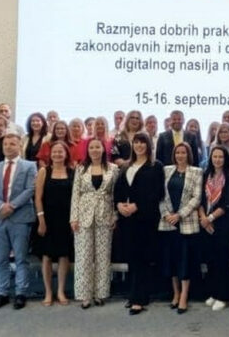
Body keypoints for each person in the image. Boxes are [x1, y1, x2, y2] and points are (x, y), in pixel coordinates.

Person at [0, 134, 38, 311]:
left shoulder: (29, 166)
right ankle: (2, 293)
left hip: (20, 217)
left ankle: (21, 293)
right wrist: (1, 206)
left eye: (12, 144)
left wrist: (12, 206)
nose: (8, 147)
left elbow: (30, 189)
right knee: (1, 258)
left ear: (19, 146)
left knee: (21, 258)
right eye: (6, 144)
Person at [114, 132, 164, 315]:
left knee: (144, 257)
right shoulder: (126, 166)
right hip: (127, 218)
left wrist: (138, 206)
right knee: (132, 257)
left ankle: (140, 299)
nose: (139, 145)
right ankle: (133, 294)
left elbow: (157, 192)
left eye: (143, 142)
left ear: (148, 145)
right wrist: (118, 205)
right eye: (136, 142)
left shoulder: (155, 166)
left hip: (146, 218)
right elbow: (118, 190)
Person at [71, 138, 119, 309]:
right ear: (88, 150)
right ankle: (84, 295)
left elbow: (116, 194)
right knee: (83, 256)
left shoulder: (113, 169)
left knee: (103, 256)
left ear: (103, 149)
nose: (95, 150)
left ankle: (100, 293)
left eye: (97, 147)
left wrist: (115, 216)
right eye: (91, 147)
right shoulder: (81, 168)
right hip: (83, 215)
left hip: (105, 214)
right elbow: (75, 194)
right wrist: (73, 218)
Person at [158, 142, 202, 314]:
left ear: (188, 154)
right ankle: (175, 293)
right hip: (168, 222)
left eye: (183, 153)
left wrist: (179, 215)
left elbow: (197, 198)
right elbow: (160, 195)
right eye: (178, 153)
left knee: (185, 261)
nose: (180, 155)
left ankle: (184, 295)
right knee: (171, 260)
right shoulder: (166, 170)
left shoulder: (196, 172)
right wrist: (166, 214)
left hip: (186, 222)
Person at [198, 146, 229, 311]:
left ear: (225, 159)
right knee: (211, 261)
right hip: (207, 225)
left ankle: (223, 296)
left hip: (224, 224)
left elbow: (227, 203)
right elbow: (200, 200)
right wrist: (203, 218)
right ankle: (213, 293)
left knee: (224, 261)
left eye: (220, 157)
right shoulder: (206, 175)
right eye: (214, 156)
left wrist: (210, 218)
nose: (217, 159)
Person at [34, 141, 75, 306]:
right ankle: (48, 292)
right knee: (47, 256)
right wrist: (41, 220)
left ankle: (61, 291)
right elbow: (38, 198)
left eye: (61, 152)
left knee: (64, 255)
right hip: (47, 218)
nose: (57, 154)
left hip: (66, 218)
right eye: (54, 152)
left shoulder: (72, 172)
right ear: (50, 154)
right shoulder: (44, 171)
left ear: (66, 154)